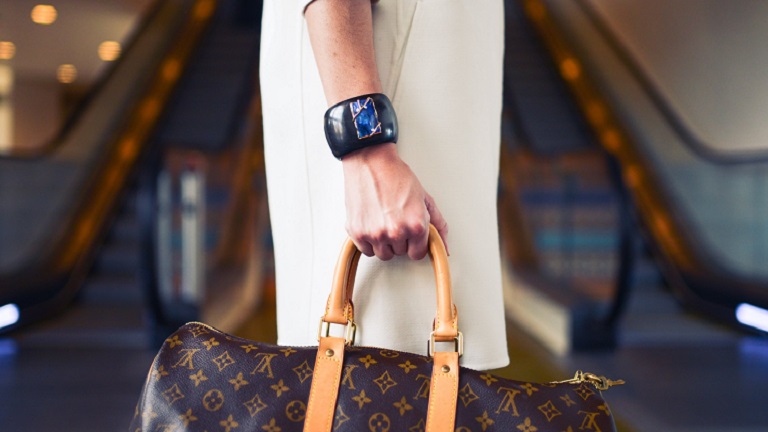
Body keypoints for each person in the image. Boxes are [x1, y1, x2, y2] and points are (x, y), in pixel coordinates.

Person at [260, 0, 509, 370]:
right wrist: (367, 151)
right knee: (372, 372)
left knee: (436, 379)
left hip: (432, 142)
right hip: (389, 148)